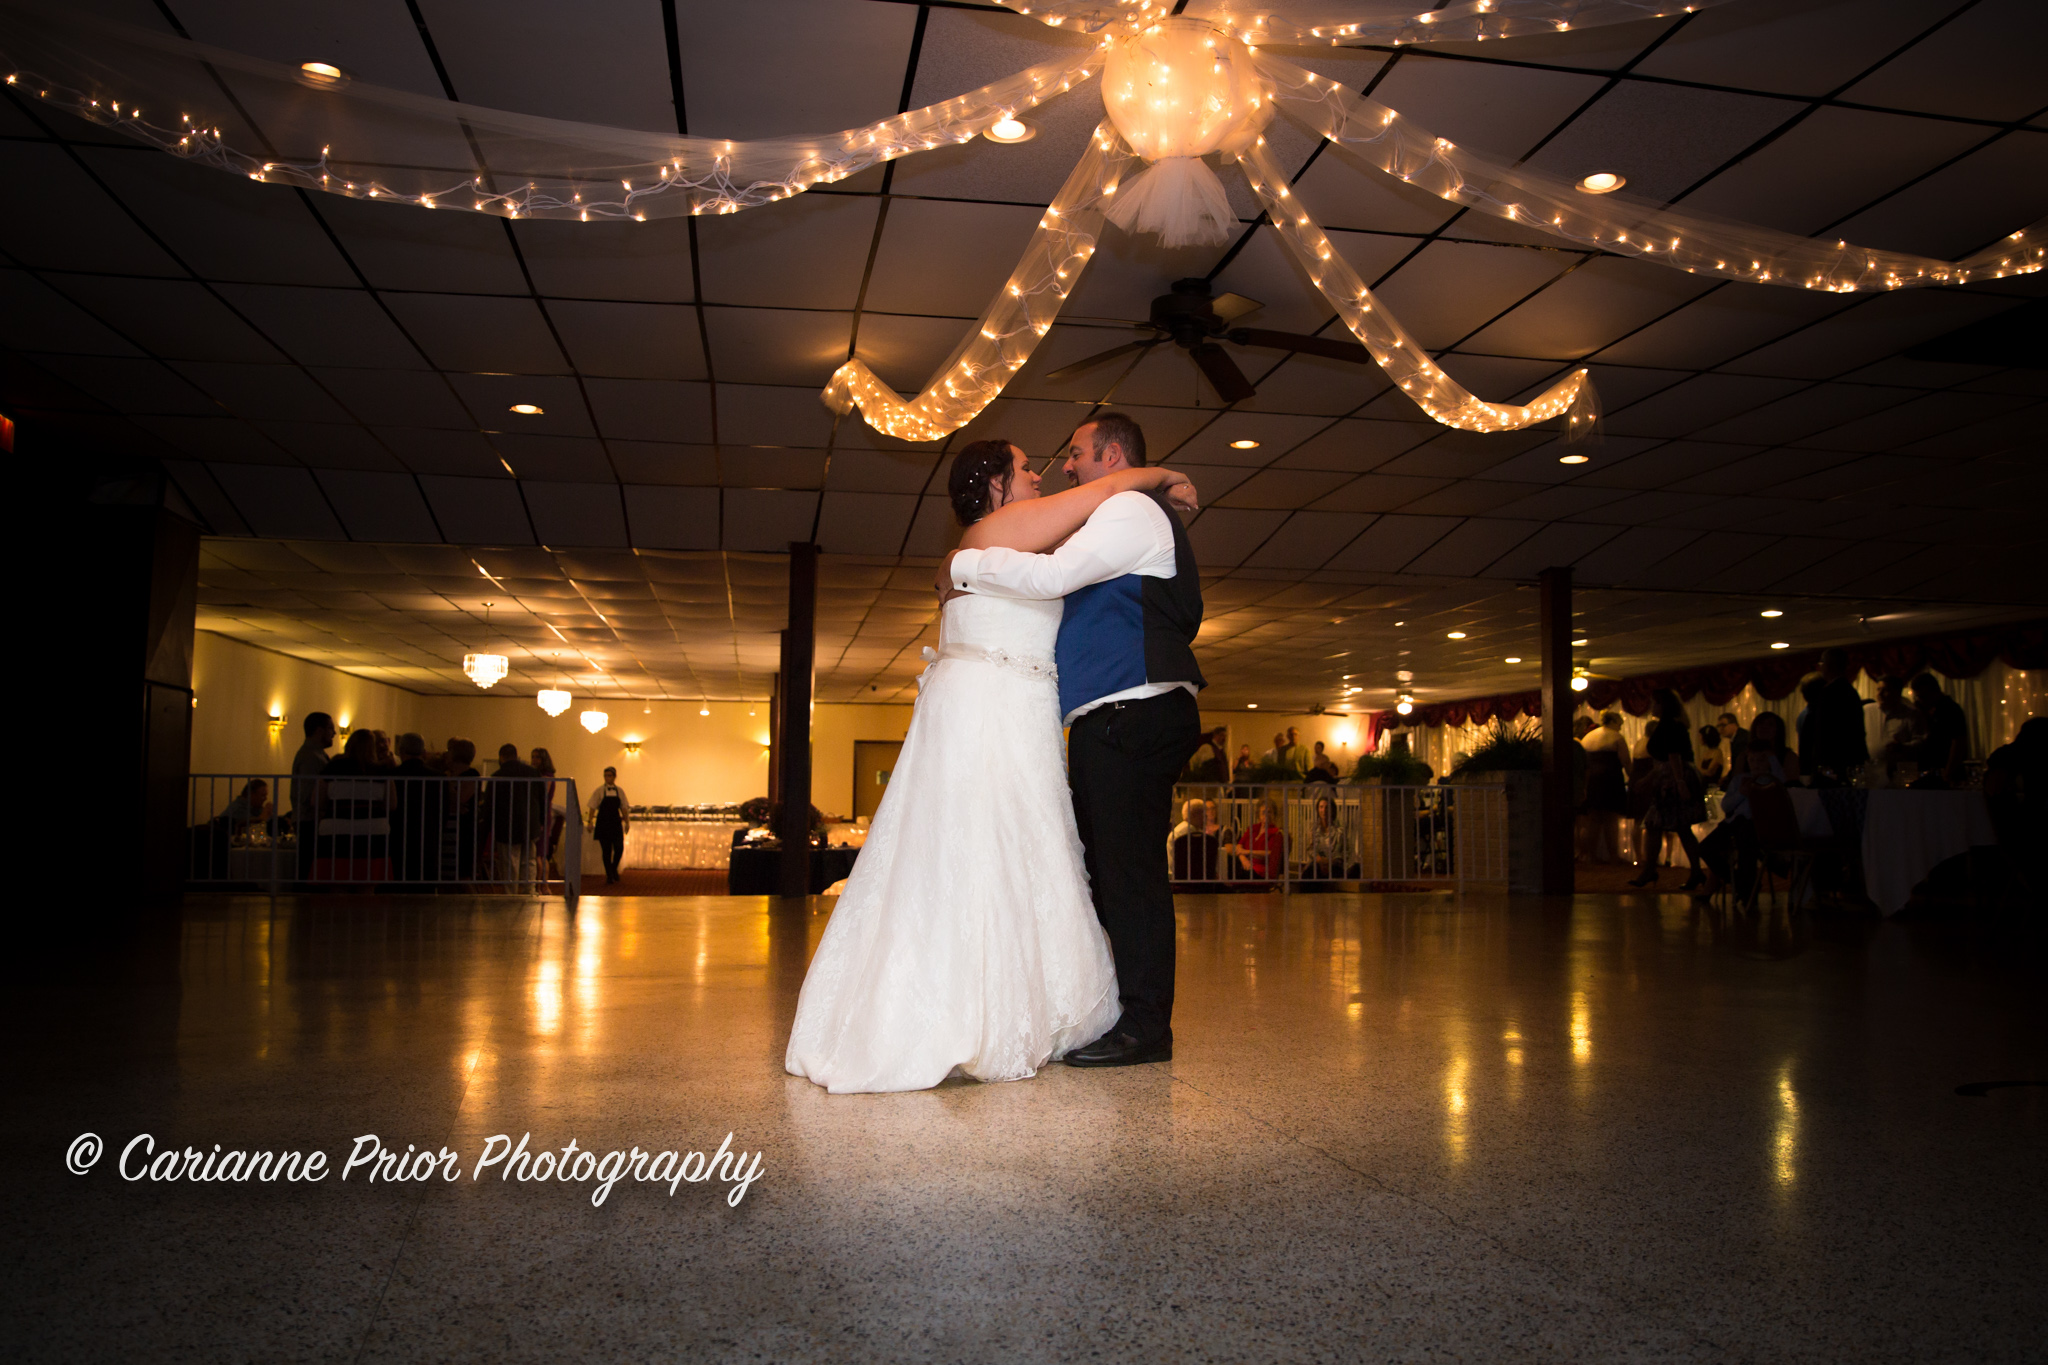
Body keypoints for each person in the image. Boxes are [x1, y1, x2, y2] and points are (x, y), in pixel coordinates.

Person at [786, 430, 1200, 1092]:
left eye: (1062, 459)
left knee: (1012, 856)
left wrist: (961, 566)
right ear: (997, 484)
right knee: (998, 854)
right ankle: (984, 1012)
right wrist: (1162, 474)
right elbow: (1098, 501)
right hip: (998, 710)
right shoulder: (1004, 528)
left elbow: (1065, 563)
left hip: (1019, 710)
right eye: (1027, 467)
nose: (1046, 474)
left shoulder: (1003, 540)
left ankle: (1023, 1008)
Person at [1629, 690, 1707, 891]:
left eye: (1655, 703)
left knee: (1660, 825)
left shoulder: (1669, 726)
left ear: (1663, 705)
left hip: (1672, 780)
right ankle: (1693, 871)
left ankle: (1653, 870)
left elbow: (1673, 756)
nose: (1652, 707)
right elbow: (1668, 759)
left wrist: (1679, 782)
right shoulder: (1674, 725)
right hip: (1673, 777)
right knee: (1678, 827)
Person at [484, 743, 545, 888]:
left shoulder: (497, 776)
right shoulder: (533, 773)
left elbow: (490, 804)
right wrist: (541, 821)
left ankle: (511, 895)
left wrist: (489, 825)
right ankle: (529, 892)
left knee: (509, 863)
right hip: (530, 824)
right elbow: (542, 799)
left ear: (501, 757)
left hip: (507, 825)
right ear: (516, 755)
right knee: (529, 861)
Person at [290, 711, 336, 880]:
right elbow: (308, 795)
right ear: (319, 730)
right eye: (330, 728)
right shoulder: (310, 757)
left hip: (312, 819)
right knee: (308, 868)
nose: (334, 733)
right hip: (310, 820)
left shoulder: (316, 755)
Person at [390, 732, 441, 885]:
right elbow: (442, 810)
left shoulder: (392, 775)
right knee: (425, 886)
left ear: (401, 751)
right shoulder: (437, 777)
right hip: (428, 837)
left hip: (397, 836)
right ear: (423, 751)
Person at [1578, 712, 1628, 864]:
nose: (1620, 727)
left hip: (1591, 781)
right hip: (1610, 780)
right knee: (1611, 819)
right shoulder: (1616, 737)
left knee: (1592, 819)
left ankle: (1590, 854)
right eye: (1619, 723)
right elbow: (1626, 761)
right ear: (1612, 721)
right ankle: (1613, 855)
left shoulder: (1588, 737)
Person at [1907, 673, 1968, 786]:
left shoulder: (1950, 710)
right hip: (1930, 771)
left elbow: (1958, 742)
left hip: (1944, 770)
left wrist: (1948, 773)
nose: (1920, 701)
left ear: (1933, 692)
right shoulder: (1926, 711)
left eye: (1922, 697)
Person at [587, 766, 631, 884]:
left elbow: (624, 808)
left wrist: (627, 822)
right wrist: (590, 821)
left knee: (619, 848)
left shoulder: (620, 791)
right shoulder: (599, 791)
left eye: (609, 776)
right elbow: (592, 807)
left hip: (615, 822)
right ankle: (609, 875)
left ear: (614, 777)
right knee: (606, 850)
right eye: (605, 776)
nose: (607, 778)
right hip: (603, 823)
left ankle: (613, 868)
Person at [1231, 798, 1286, 880]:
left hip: (1259, 870)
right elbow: (1239, 846)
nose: (1266, 815)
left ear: (1274, 814)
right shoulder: (1252, 829)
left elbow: (1271, 854)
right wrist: (1243, 859)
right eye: (1263, 812)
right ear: (1258, 815)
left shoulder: (1276, 833)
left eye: (1269, 812)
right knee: (1227, 862)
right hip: (1244, 864)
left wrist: (1247, 852)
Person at [1169, 798, 1219, 881]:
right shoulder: (1191, 833)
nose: (1206, 817)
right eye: (1204, 814)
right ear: (1195, 815)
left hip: (1177, 879)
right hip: (1191, 881)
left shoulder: (1180, 830)